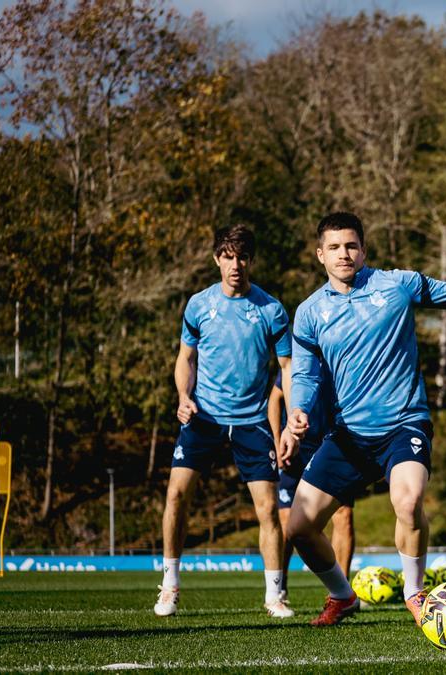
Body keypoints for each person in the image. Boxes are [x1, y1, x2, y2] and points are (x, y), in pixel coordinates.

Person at [281, 212, 446, 627]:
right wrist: (298, 409)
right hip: (349, 433)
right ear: (320, 255)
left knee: (407, 501)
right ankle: (342, 595)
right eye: (334, 247)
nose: (344, 254)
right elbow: (306, 373)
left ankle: (415, 593)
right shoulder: (310, 312)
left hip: (404, 425)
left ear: (363, 250)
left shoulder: (397, 285)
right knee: (298, 528)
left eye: (351, 245)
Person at [155, 224, 293, 619]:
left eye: (243, 257)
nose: (236, 265)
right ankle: (169, 585)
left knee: (267, 509)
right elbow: (186, 358)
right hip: (205, 416)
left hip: (252, 422)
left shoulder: (271, 309)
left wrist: (287, 423)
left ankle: (275, 596)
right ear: (217, 258)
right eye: (228, 257)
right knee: (177, 495)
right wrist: (183, 398)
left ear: (251, 260)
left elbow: (287, 367)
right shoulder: (198, 305)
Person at [266, 368, 355, 593]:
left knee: (344, 515)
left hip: (334, 445)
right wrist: (278, 440)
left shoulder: (344, 355)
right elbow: (275, 399)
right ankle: (280, 585)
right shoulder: (303, 358)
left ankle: (341, 593)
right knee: (286, 520)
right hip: (297, 447)